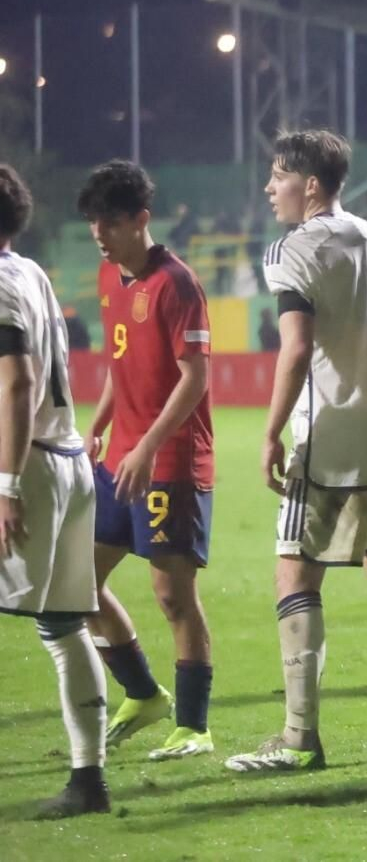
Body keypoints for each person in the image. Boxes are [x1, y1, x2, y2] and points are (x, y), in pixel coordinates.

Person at [226, 130, 367, 773]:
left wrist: (271, 432)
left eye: (278, 176)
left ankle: (299, 739)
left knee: (294, 574)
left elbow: (297, 347)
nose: (270, 188)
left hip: (328, 438)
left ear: (310, 185)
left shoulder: (294, 249)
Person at [78, 161, 217, 761]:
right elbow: (121, 364)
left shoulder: (176, 283)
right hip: (121, 459)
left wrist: (147, 445)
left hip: (170, 461)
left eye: (109, 222)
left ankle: (194, 727)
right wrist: (99, 426)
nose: (98, 234)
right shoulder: (111, 278)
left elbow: (195, 378)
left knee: (172, 595)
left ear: (141, 219)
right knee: (77, 583)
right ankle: (142, 693)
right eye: (93, 222)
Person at [0, 164, 110, 817]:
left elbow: (16, 383)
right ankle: (88, 780)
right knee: (65, 628)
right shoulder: (31, 273)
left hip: (29, 469)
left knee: (63, 629)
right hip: (68, 459)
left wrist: (6, 485)